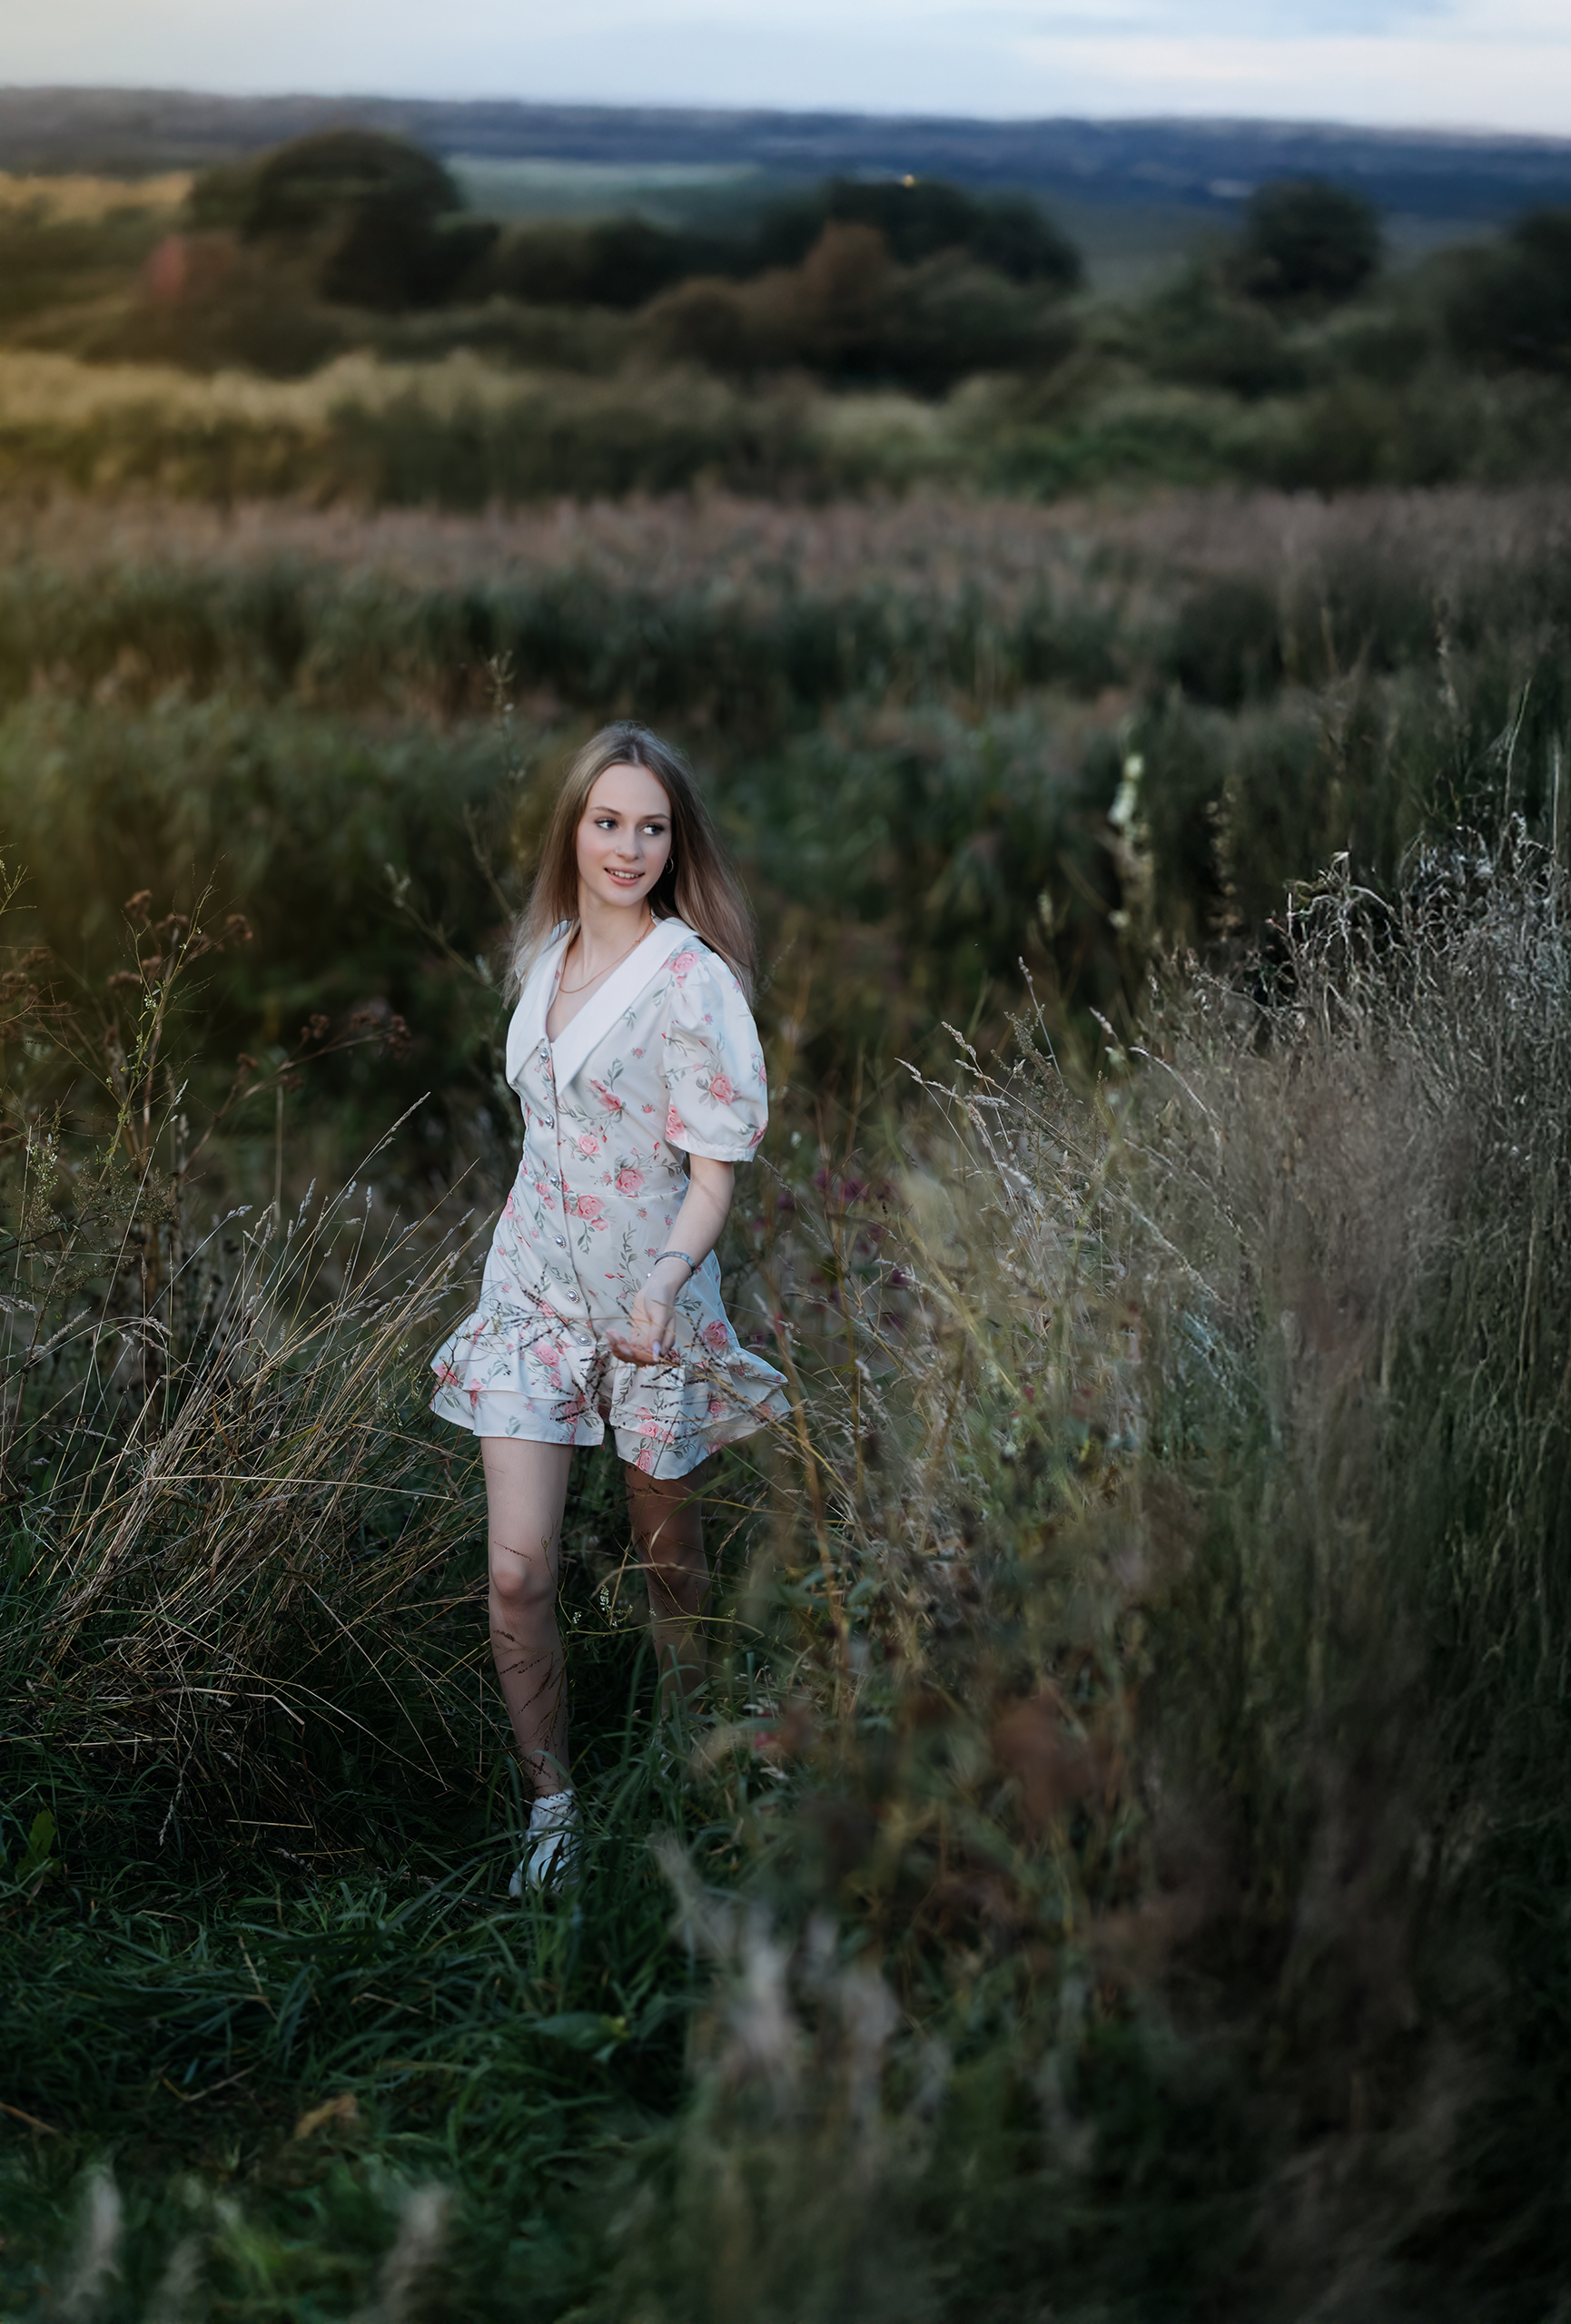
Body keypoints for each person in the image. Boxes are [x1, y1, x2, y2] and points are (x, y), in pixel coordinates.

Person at [430, 723, 788, 1895]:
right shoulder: (543, 955)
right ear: (572, 832)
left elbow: (713, 1178)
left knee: (668, 1565)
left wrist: (664, 1283)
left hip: (650, 1302)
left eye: (651, 828)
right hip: (530, 1291)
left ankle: (696, 1769)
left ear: (676, 843)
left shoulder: (692, 981)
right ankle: (555, 1812)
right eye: (606, 822)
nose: (628, 848)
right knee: (518, 1576)